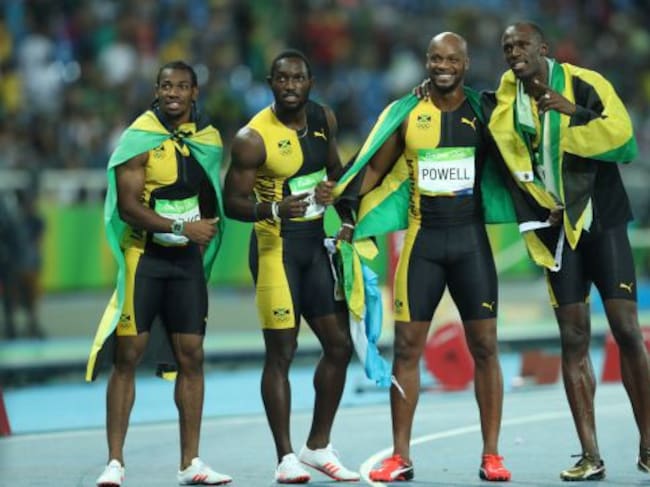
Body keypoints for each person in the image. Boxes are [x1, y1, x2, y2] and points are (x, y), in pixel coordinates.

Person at [341, 32, 512, 482]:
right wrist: (341, 195)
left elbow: (517, 150)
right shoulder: (408, 113)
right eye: (435, 57)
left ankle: (492, 455)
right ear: (426, 61)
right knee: (407, 349)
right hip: (424, 246)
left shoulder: (485, 110)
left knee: (486, 347)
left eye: (452, 58)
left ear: (466, 62)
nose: (443, 65)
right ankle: (401, 456)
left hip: (471, 244)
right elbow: (374, 168)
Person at [485, 21, 650, 480]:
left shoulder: (586, 82)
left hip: (603, 220)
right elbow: (512, 162)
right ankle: (590, 454)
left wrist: (571, 110)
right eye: (506, 46)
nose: (514, 52)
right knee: (573, 337)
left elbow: (624, 140)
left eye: (521, 44)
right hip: (555, 228)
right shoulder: (504, 103)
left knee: (625, 329)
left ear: (543, 47)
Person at [87, 61, 232, 486]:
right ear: (156, 90)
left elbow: (210, 193)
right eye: (166, 86)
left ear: (195, 92)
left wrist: (204, 227)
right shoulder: (139, 138)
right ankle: (115, 462)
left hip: (185, 264)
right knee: (127, 356)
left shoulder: (207, 139)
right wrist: (180, 227)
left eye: (181, 86)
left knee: (192, 357)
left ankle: (191, 463)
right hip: (144, 260)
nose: (173, 93)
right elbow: (129, 207)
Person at [223, 49, 360, 484]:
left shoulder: (324, 119)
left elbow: (336, 174)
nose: (289, 85)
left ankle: (318, 445)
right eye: (281, 79)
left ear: (310, 82)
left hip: (315, 248)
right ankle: (285, 456)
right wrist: (275, 209)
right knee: (282, 352)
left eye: (297, 78)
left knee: (339, 345)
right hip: (275, 249)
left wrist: (342, 212)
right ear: (270, 83)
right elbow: (232, 204)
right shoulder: (252, 137)